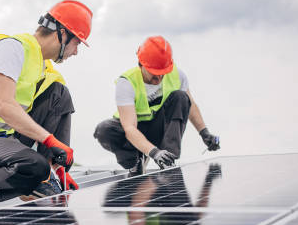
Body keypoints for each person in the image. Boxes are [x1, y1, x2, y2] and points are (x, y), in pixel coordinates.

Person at [0, 0, 92, 213]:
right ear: (62, 33)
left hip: (1, 139)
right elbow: (3, 106)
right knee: (34, 167)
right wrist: (50, 140)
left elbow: (57, 105)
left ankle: (46, 173)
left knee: (59, 93)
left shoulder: (39, 64)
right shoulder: (12, 49)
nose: (76, 52)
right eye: (77, 42)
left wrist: (58, 169)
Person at [94, 36, 220, 176]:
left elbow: (191, 106)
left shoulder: (177, 75)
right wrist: (154, 152)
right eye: (154, 73)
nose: (158, 79)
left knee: (181, 97)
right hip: (134, 133)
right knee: (104, 130)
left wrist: (204, 133)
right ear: (141, 64)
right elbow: (129, 127)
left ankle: (167, 160)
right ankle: (135, 161)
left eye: (162, 74)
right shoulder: (127, 82)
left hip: (159, 130)